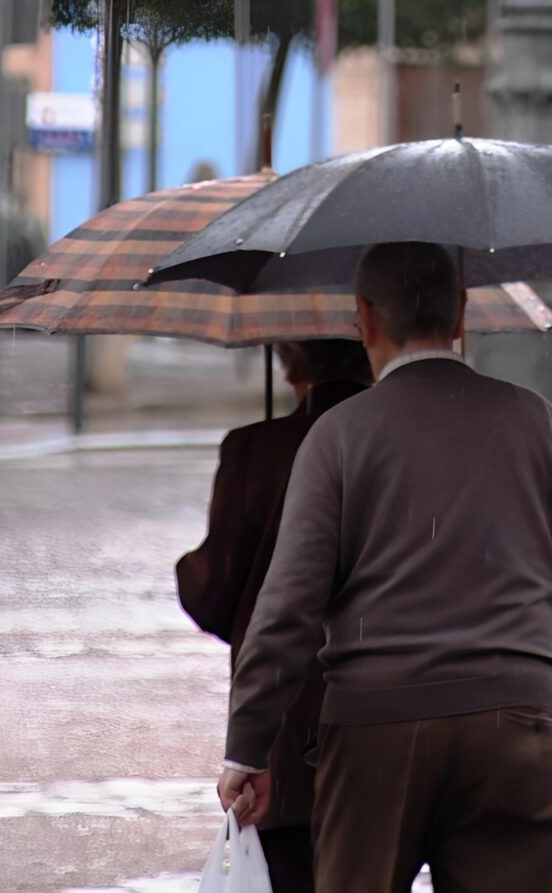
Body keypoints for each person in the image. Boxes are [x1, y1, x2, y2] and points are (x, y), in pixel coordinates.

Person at [217, 242, 552, 893]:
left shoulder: (340, 435)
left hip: (377, 730)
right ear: (462, 313)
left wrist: (249, 746)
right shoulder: (538, 422)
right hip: (516, 722)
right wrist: (511, 586)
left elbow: (289, 605)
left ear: (365, 319)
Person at [176, 339, 372, 893]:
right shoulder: (402, 443)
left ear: (289, 367)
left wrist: (188, 571)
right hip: (387, 714)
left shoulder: (255, 449)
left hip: (285, 717)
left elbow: (215, 593)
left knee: (292, 870)